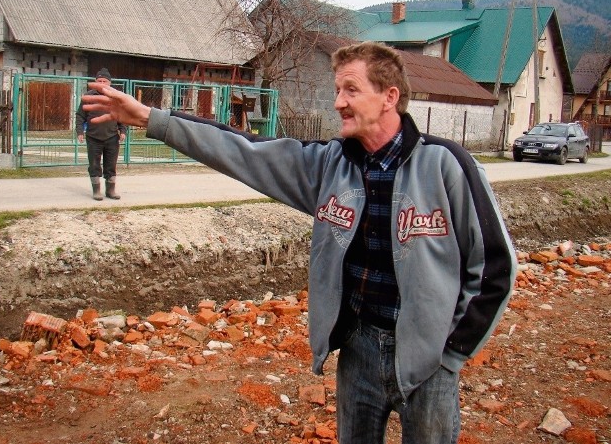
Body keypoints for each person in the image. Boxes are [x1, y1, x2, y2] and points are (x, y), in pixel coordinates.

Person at [82, 41, 516, 444]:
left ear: (389, 96)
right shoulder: (328, 166)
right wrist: (150, 119)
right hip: (359, 352)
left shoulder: (447, 166)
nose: (338, 101)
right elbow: (243, 151)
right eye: (337, 89)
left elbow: (496, 267)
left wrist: (450, 356)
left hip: (430, 359)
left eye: (351, 89)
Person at [76, 68, 127, 200]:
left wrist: (123, 130)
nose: (102, 83)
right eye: (100, 81)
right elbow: (80, 116)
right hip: (93, 137)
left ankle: (110, 191)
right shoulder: (88, 97)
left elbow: (122, 116)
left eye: (105, 81)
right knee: (94, 165)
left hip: (112, 137)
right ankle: (96, 191)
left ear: (109, 83)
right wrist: (80, 131)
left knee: (111, 165)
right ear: (95, 82)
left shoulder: (116, 97)